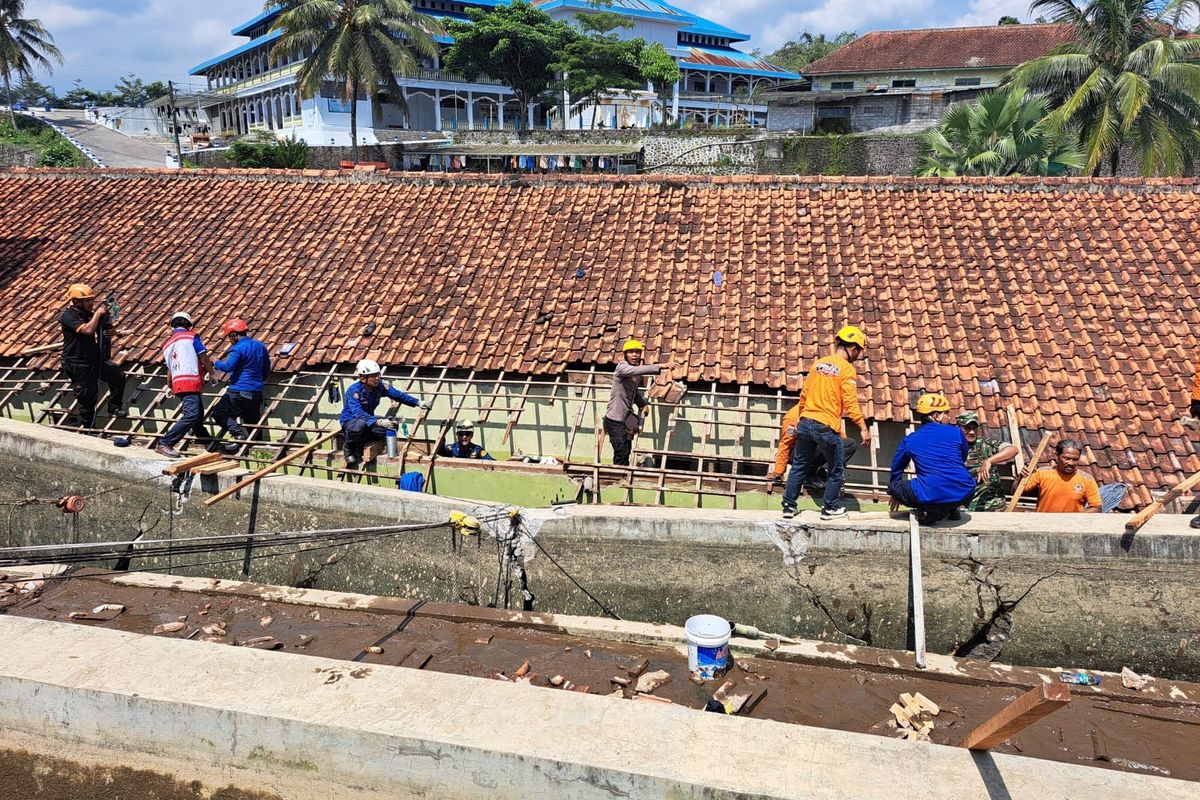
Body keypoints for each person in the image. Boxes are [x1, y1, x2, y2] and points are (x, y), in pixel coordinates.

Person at [781, 325, 871, 520]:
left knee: (799, 466)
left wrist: (801, 417)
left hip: (805, 421)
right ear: (853, 349)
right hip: (825, 425)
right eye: (858, 352)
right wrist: (863, 427)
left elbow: (804, 394)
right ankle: (829, 508)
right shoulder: (847, 369)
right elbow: (850, 402)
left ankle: (788, 506)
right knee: (836, 468)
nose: (858, 356)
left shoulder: (818, 364)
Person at [888, 393, 977, 525]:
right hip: (965, 492)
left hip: (931, 494)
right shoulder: (957, 432)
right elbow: (962, 458)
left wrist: (895, 494)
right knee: (946, 482)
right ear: (936, 416)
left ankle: (933, 510)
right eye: (946, 413)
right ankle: (951, 509)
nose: (949, 417)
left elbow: (896, 468)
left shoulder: (910, 439)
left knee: (894, 486)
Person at [340, 359, 430, 468]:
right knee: (360, 425)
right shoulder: (354, 391)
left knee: (391, 427)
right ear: (363, 378)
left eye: (378, 375)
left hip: (368, 421)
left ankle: (359, 442)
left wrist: (418, 402)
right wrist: (379, 421)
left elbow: (398, 395)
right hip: (351, 421)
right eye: (373, 376)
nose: (377, 378)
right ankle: (348, 448)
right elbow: (358, 413)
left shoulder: (380, 387)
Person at [59, 283, 126, 428]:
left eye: (91, 300)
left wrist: (112, 329)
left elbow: (103, 329)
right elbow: (88, 330)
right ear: (76, 302)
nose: (91, 303)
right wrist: (97, 314)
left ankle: (114, 407)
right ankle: (89, 427)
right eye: (87, 301)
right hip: (77, 363)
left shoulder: (88, 315)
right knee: (87, 396)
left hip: (93, 359)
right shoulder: (68, 316)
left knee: (118, 375)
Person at [766, 400, 859, 495]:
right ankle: (810, 472)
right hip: (799, 452)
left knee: (849, 444)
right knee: (818, 440)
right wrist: (778, 471)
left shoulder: (826, 411)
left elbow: (838, 435)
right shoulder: (793, 416)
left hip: (818, 448)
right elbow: (786, 444)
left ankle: (827, 471)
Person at [155, 311, 214, 458]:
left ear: (173, 326)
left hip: (178, 382)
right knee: (192, 414)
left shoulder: (167, 344)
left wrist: (169, 386)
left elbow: (169, 368)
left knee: (198, 411)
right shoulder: (191, 337)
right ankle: (165, 443)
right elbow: (203, 357)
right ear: (189, 325)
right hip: (190, 381)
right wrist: (212, 373)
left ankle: (201, 435)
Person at [603, 339, 670, 467]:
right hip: (614, 419)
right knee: (621, 452)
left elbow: (635, 393)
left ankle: (623, 473)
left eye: (637, 352)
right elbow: (637, 370)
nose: (634, 355)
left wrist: (643, 404)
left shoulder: (636, 374)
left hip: (625, 417)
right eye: (631, 352)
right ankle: (618, 475)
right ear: (625, 355)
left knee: (627, 450)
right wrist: (661, 366)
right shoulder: (622, 367)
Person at [209, 318, 271, 452]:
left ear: (234, 335)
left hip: (238, 392)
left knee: (219, 413)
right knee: (252, 422)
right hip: (256, 393)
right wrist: (256, 383)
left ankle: (238, 435)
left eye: (229, 337)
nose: (229, 340)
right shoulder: (260, 346)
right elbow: (266, 370)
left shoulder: (238, 349)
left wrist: (215, 361)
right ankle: (258, 448)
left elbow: (228, 367)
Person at [1015, 439, 1101, 513]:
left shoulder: (1087, 479)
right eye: (1066, 458)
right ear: (1057, 455)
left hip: (1072, 525)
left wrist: (1076, 518)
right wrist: (1020, 477)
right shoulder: (1042, 473)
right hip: (1044, 524)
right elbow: (1016, 491)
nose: (1071, 463)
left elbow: (1097, 508)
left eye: (1075, 459)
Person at [957, 411, 1020, 512]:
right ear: (959, 428)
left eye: (974, 428)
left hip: (993, 507)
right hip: (965, 508)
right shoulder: (952, 448)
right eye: (967, 428)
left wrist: (989, 461)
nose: (972, 432)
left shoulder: (986, 444)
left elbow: (1013, 450)